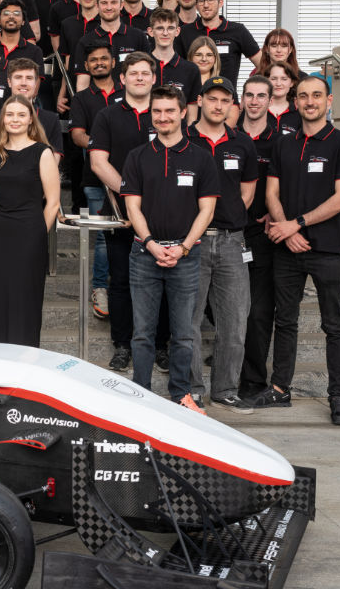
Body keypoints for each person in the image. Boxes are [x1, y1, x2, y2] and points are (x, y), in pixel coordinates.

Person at [255, 76, 340, 426]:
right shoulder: (283, 145)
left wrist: (294, 224)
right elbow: (272, 194)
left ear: (329, 101)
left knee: (335, 325)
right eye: (303, 96)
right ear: (294, 103)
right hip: (288, 249)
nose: (310, 101)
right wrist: (286, 233)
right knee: (285, 321)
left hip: (328, 249)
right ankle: (281, 388)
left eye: (317, 95)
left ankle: (338, 396)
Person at [121, 85, 218, 413]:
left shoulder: (201, 158)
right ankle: (141, 396)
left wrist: (184, 247)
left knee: (183, 334)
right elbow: (133, 208)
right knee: (143, 333)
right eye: (157, 111)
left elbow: (206, 210)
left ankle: (181, 395)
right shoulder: (137, 157)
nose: (162, 117)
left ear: (182, 114)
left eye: (169, 111)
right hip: (143, 255)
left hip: (186, 258)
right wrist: (150, 244)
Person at [184, 76, 259, 413]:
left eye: (224, 100)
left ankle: (226, 388)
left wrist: (230, 214)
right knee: (189, 320)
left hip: (232, 242)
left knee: (235, 320)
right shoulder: (184, 139)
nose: (218, 105)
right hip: (192, 243)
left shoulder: (242, 144)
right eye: (211, 98)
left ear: (232, 105)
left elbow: (247, 191)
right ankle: (192, 389)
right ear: (200, 101)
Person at [89, 53, 160, 370]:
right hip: (120, 213)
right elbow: (98, 162)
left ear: (154, 79)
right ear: (123, 79)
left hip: (162, 214)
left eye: (146, 73)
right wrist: (131, 195)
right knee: (120, 281)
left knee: (164, 281)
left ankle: (161, 346)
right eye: (134, 73)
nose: (140, 78)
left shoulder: (165, 114)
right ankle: (122, 345)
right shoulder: (107, 116)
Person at [0, 94, 60, 346]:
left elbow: (54, 202)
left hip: (29, 236)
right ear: (3, 119)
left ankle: (24, 361)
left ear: (30, 120)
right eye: (10, 114)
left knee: (24, 299)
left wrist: (36, 235)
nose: (15, 119)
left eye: (21, 114)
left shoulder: (42, 152)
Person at [236, 75, 281, 401]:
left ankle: (251, 381)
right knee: (221, 307)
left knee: (259, 311)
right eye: (249, 95)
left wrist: (277, 213)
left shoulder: (280, 140)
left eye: (260, 96)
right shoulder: (228, 136)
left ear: (270, 99)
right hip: (226, 231)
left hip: (263, 235)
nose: (254, 101)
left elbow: (289, 183)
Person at [69, 43, 121, 318]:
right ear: (86, 67)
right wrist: (105, 147)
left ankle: (122, 287)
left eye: (104, 59)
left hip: (129, 176)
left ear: (113, 62)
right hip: (94, 177)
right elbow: (77, 135)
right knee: (102, 238)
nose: (99, 63)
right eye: (93, 60)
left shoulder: (127, 94)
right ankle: (100, 288)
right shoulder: (81, 98)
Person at [0, 58, 64, 165]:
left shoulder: (51, 120)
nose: (24, 83)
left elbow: (53, 167)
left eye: (29, 78)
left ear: (36, 83)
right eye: (18, 77)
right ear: (9, 82)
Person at [71, 0, 151, 92]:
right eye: (104, 3)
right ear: (97, 6)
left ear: (121, 5)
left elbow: (147, 76)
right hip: (98, 105)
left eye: (113, 2)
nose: (109, 7)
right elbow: (82, 84)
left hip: (131, 103)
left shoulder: (139, 37)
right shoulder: (85, 41)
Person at [179, 0, 261, 86]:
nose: (206, 5)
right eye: (201, 1)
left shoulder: (238, 31)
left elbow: (262, 64)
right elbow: (177, 68)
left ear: (220, 2)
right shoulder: (185, 32)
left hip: (227, 98)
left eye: (210, 0)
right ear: (196, 5)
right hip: (194, 99)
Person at [55, 0, 100, 113]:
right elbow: (66, 64)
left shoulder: (106, 23)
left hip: (101, 90)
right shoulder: (67, 24)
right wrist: (62, 94)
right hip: (74, 91)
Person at [148, 8, 202, 124]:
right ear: (150, 32)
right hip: (146, 136)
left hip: (179, 137)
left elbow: (192, 114)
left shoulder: (190, 69)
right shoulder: (141, 67)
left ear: (177, 31)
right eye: (160, 28)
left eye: (170, 28)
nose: (165, 33)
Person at [188, 36, 239, 125]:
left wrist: (215, 135)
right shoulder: (183, 83)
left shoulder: (225, 85)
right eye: (198, 55)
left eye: (209, 55)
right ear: (191, 57)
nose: (204, 59)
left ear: (215, 58)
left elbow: (232, 117)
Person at [0, 0, 44, 65]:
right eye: (6, 13)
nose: (11, 16)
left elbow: (38, 76)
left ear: (23, 21)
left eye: (16, 13)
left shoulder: (35, 51)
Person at [265, 62, 302, 137]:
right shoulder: (256, 109)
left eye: (284, 79)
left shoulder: (300, 113)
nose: (278, 83)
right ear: (266, 81)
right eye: (273, 79)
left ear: (291, 83)